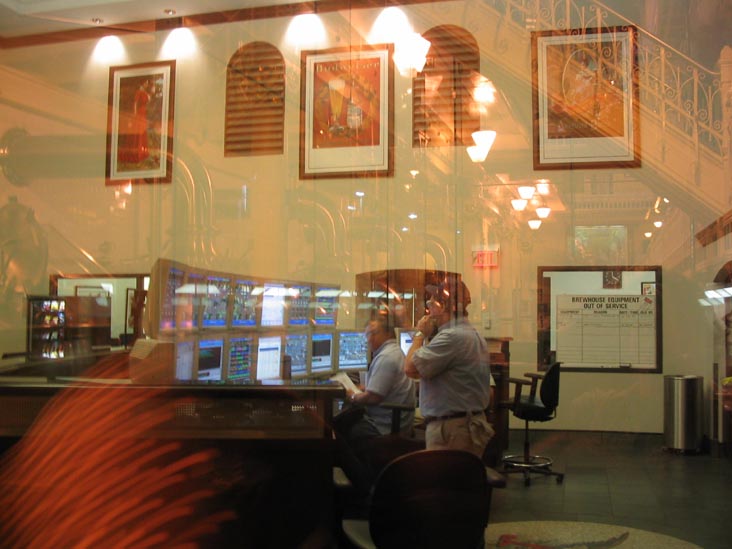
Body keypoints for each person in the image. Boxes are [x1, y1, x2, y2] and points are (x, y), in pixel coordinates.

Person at [404, 276, 494, 458]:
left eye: (431, 303)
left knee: (445, 476)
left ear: (444, 307)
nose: (428, 309)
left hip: (451, 430)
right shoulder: (471, 334)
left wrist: (420, 334)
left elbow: (410, 368)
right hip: (464, 425)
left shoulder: (452, 337)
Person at [346, 314, 416, 438]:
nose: (369, 339)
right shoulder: (394, 351)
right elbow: (382, 389)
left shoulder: (386, 357)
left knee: (345, 426)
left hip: (384, 427)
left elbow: (373, 398)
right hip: (399, 423)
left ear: (388, 333)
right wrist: (365, 389)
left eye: (374, 333)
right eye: (368, 334)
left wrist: (353, 396)